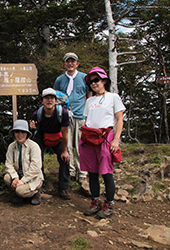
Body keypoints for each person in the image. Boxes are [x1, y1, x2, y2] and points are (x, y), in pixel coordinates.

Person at [80, 67, 125, 219]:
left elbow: (119, 119)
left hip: (106, 136)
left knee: (106, 172)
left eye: (96, 80)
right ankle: (95, 201)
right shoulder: (90, 100)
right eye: (91, 81)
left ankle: (109, 204)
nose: (93, 83)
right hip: (90, 138)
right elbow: (87, 120)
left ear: (104, 80)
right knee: (92, 172)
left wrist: (116, 139)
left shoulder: (113, 97)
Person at [53, 52, 92, 190]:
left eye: (73, 61)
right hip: (64, 117)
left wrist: (88, 116)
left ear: (77, 63)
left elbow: (89, 96)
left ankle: (82, 173)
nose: (70, 63)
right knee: (67, 145)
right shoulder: (59, 80)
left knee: (81, 145)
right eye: (67, 61)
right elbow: (55, 97)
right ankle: (70, 171)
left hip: (80, 116)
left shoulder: (84, 78)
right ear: (64, 64)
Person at [30, 88, 71, 200]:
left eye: (52, 98)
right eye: (46, 98)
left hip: (58, 136)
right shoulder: (37, 114)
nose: (49, 100)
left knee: (65, 159)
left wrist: (65, 151)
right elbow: (33, 126)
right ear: (42, 101)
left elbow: (65, 133)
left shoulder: (62, 113)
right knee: (37, 159)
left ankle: (63, 188)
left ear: (55, 101)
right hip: (42, 136)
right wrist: (32, 125)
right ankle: (40, 185)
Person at [4, 119, 44, 206]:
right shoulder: (12, 146)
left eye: (23, 132)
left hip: (33, 177)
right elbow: (8, 164)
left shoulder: (34, 146)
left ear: (27, 134)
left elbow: (36, 168)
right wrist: (15, 177)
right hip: (19, 174)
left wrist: (23, 181)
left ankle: (35, 193)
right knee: (7, 178)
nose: (20, 134)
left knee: (20, 190)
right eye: (17, 131)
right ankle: (22, 195)